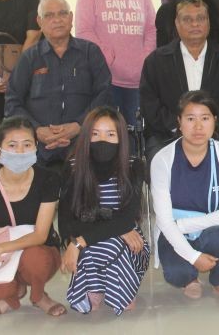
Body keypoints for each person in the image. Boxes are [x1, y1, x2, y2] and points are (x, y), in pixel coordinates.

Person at [0, 116, 64, 317]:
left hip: (38, 250)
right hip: (3, 257)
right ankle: (11, 294)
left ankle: (39, 296)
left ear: (36, 147)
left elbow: (40, 234)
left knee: (36, 260)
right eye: (13, 145)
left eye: (27, 145)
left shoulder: (49, 179)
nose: (20, 151)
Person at [151, 91, 219, 302]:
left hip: (210, 228)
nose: (198, 126)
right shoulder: (162, 159)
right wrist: (193, 257)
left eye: (205, 118)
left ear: (215, 121)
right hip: (174, 230)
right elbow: (165, 221)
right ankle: (189, 280)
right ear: (179, 122)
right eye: (190, 119)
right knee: (176, 274)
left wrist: (182, 225)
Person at [59, 107, 149, 314]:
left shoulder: (134, 165)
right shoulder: (73, 166)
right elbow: (66, 219)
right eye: (95, 134)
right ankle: (96, 287)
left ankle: (122, 290)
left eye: (111, 134)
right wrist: (83, 238)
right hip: (96, 235)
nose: (103, 140)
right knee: (100, 243)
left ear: (121, 138)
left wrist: (80, 241)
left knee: (111, 243)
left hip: (129, 241)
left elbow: (128, 219)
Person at [4, 0, 112, 167]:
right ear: (39, 22)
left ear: (71, 18)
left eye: (62, 14)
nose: (57, 20)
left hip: (83, 141)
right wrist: (37, 130)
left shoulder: (90, 53)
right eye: (49, 15)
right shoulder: (29, 58)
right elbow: (12, 102)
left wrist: (79, 125)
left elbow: (104, 94)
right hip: (38, 145)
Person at [140, 0, 219, 155]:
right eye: (187, 19)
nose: (195, 24)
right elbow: (149, 104)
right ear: (177, 24)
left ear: (208, 23)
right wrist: (181, 125)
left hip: (217, 135)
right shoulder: (156, 61)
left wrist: (210, 124)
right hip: (168, 135)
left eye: (200, 18)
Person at [75, 0, 156, 126]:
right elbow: (84, 30)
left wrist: (144, 58)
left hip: (137, 79)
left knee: (135, 134)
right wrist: (108, 57)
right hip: (105, 78)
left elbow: (152, 29)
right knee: (109, 132)